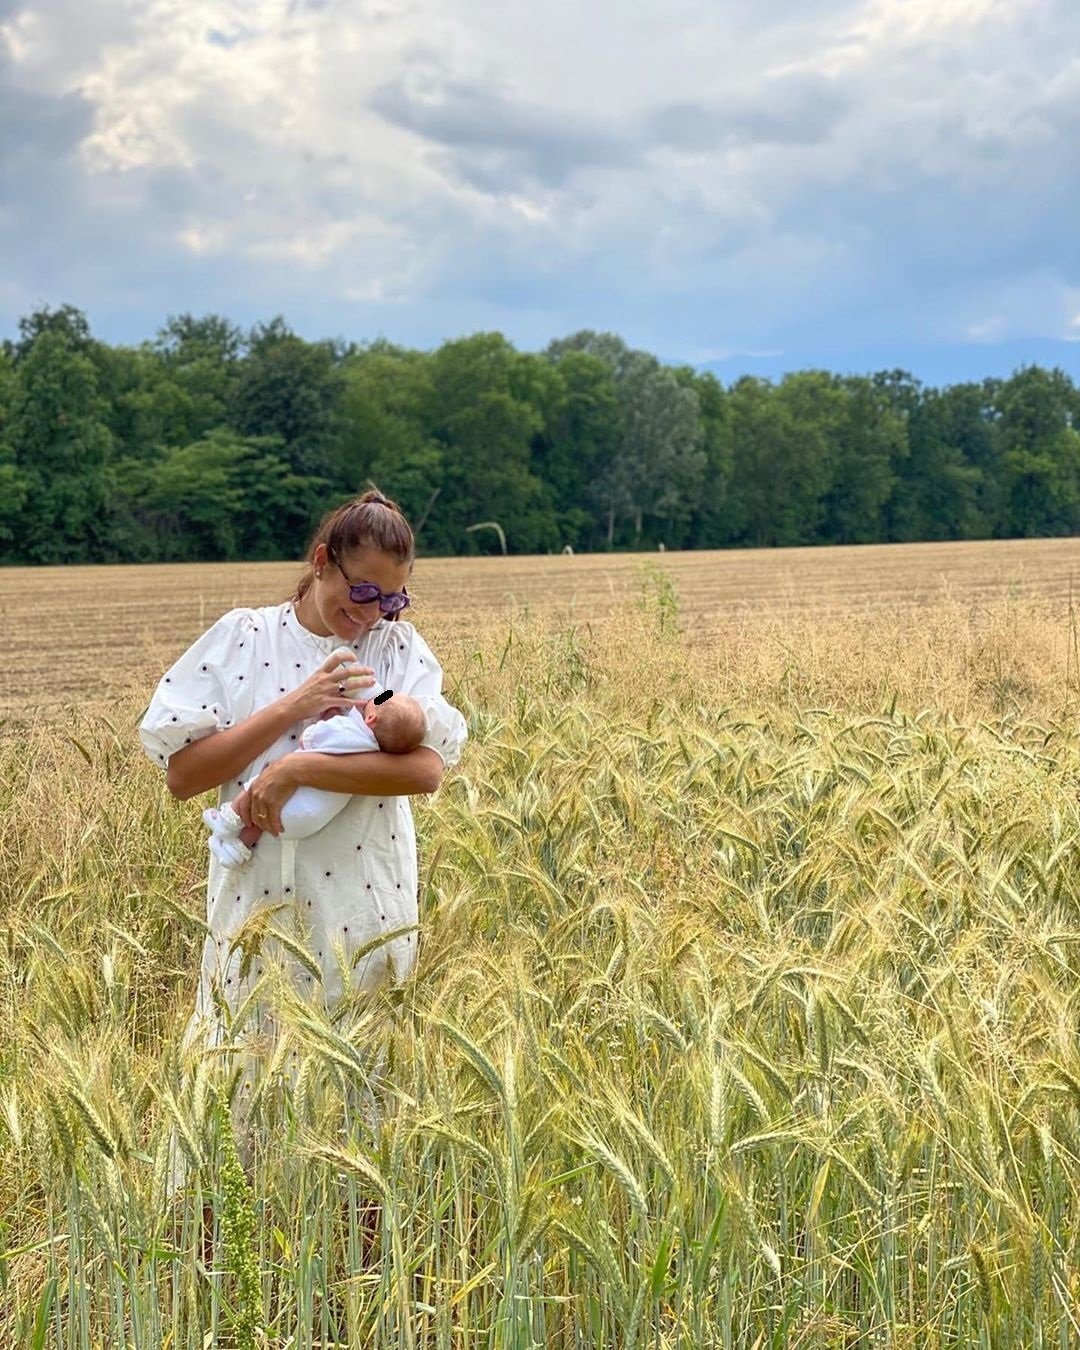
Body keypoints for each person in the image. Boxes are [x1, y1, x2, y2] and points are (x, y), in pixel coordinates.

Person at [140, 489, 468, 1191]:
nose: (373, 611)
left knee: (361, 1120)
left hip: (364, 915)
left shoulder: (396, 647)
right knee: (228, 1112)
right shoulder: (243, 638)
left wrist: (298, 767)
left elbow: (428, 768)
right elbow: (184, 775)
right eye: (362, 590)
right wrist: (296, 706)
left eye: (392, 598)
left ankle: (350, 1292)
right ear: (321, 561)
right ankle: (220, 1289)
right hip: (255, 918)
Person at [202, 665, 427, 869]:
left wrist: (327, 715)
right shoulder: (375, 752)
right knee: (264, 817)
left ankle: (227, 821)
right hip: (310, 819)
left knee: (258, 789)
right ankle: (237, 850)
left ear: (370, 720)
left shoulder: (349, 730)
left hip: (300, 801)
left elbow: (309, 739)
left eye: (381, 700)